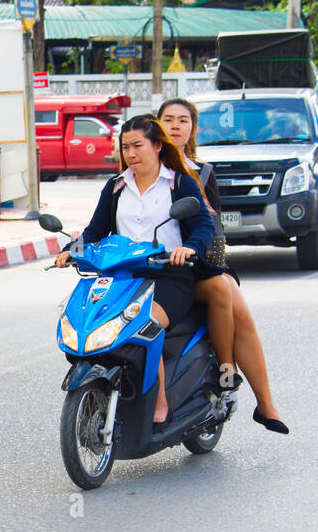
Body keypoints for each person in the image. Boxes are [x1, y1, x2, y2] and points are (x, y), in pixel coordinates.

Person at [54, 115, 213, 425]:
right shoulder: (116, 187)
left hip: (169, 275)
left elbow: (203, 227)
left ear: (156, 146)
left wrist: (189, 248)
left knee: (146, 322)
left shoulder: (178, 184)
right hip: (122, 276)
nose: (131, 154)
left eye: (138, 146)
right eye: (125, 147)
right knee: (93, 321)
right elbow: (95, 229)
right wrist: (70, 251)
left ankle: (160, 402)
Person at [157, 97, 289, 434]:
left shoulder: (201, 173)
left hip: (200, 262)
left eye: (183, 121)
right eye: (168, 120)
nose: (175, 126)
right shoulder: (140, 166)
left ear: (193, 128)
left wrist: (194, 247)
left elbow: (211, 230)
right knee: (224, 291)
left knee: (233, 299)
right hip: (153, 266)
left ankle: (263, 401)